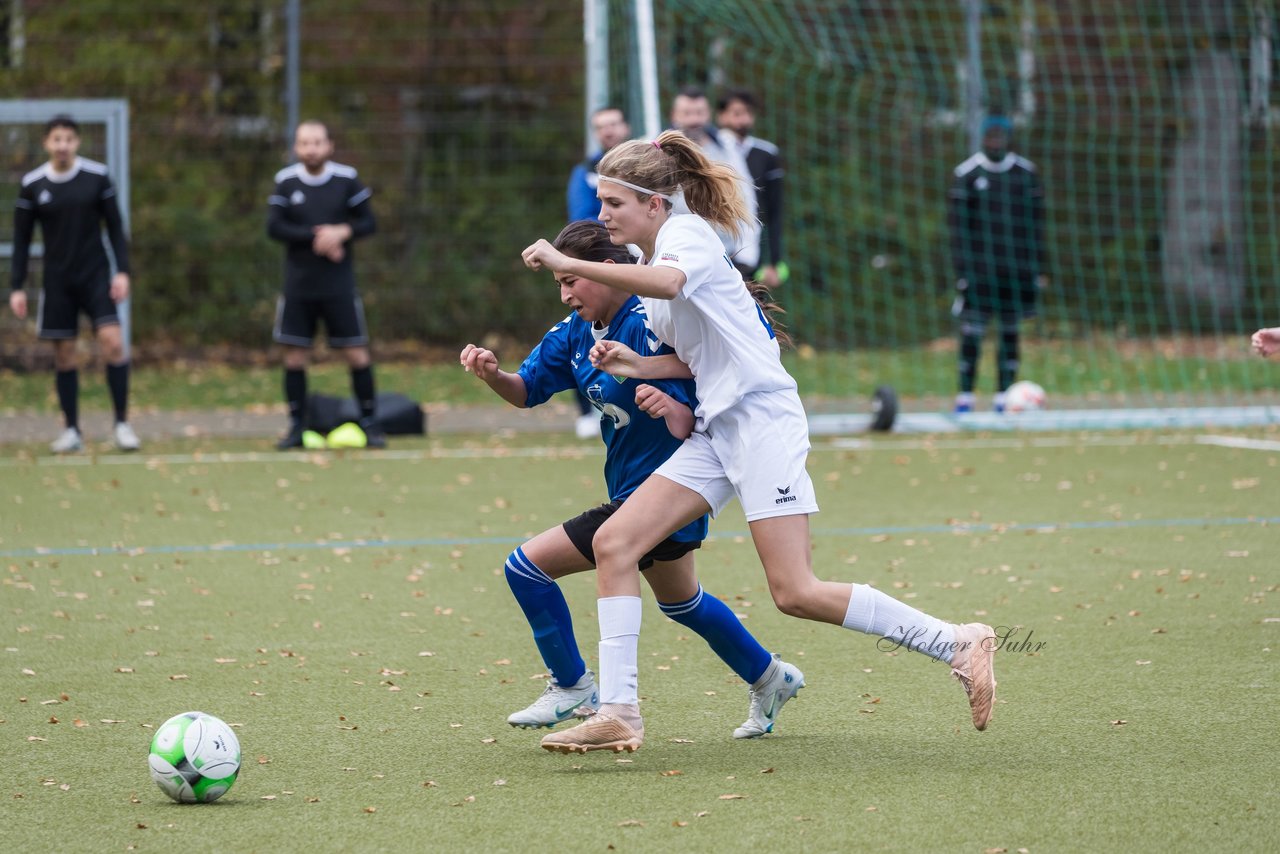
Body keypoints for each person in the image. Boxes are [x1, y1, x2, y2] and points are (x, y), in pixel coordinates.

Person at [522, 131, 998, 754]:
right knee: (616, 541)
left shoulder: (683, 238)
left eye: (613, 203)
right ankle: (619, 711)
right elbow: (698, 355)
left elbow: (668, 285)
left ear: (653, 205)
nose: (603, 215)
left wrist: (567, 263)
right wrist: (636, 368)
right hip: (719, 429)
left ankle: (957, 641)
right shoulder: (645, 265)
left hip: (761, 422)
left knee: (794, 592)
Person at [461, 220, 803, 741]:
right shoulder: (574, 332)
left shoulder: (656, 324)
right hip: (634, 493)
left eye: (573, 278)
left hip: (668, 492)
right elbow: (527, 390)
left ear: (612, 271)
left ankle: (575, 686)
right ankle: (770, 676)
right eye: (559, 282)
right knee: (681, 602)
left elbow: (698, 412)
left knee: (526, 568)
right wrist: (493, 376)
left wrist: (668, 406)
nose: (566, 290)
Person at [8, 115, 140, 454]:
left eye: (68, 139)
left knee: (113, 343)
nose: (63, 145)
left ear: (77, 142)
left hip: (95, 275)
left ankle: (122, 424)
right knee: (64, 354)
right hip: (58, 280)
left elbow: (114, 226)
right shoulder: (33, 184)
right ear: (46, 144)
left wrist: (122, 271)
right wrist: (17, 286)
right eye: (56, 139)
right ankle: (71, 431)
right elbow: (22, 239)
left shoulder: (96, 177)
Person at [268, 120, 381, 449]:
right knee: (294, 358)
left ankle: (371, 424)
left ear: (329, 146)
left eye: (317, 142)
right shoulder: (285, 182)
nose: (311, 148)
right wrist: (317, 237)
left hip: (339, 286)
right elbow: (274, 227)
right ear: (296, 148)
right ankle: (295, 427)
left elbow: (368, 222)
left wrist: (342, 232)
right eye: (305, 143)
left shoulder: (346, 179)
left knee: (357, 354)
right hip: (298, 287)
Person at [948, 114, 1047, 413]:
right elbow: (957, 229)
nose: (995, 142)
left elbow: (1037, 226)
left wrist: (1038, 269)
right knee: (973, 334)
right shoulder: (967, 173)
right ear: (982, 138)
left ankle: (1004, 396)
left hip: (1015, 272)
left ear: (1008, 139)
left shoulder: (1025, 174)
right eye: (990, 137)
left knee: (1009, 333)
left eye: (1000, 137)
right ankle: (965, 395)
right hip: (979, 274)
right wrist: (962, 271)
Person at [565, 106, 633, 439]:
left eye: (613, 124)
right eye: (601, 127)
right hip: (602, 262)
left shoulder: (643, 168)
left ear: (626, 127)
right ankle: (588, 408)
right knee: (587, 332)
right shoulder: (585, 171)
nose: (608, 131)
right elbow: (582, 219)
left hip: (638, 261)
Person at [669, 87, 760, 279]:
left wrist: (747, 255)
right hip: (678, 256)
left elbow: (746, 198)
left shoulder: (727, 148)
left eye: (700, 113)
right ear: (674, 115)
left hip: (727, 255)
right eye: (687, 113)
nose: (694, 119)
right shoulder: (658, 152)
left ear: (708, 114)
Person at [716, 89, 786, 288]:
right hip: (718, 244)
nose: (743, 119)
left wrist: (774, 261)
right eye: (736, 113)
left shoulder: (767, 153)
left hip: (753, 249)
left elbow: (774, 210)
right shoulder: (710, 150)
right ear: (721, 116)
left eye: (747, 113)